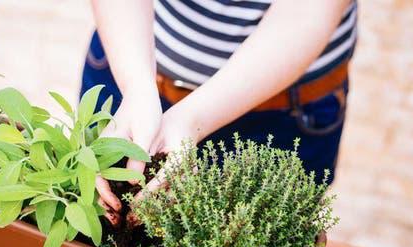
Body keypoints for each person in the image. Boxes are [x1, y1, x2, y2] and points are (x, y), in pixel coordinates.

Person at [81, 0, 357, 225]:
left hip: (279, 112)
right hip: (129, 62)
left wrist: (191, 119)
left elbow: (307, 11)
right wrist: (137, 86)